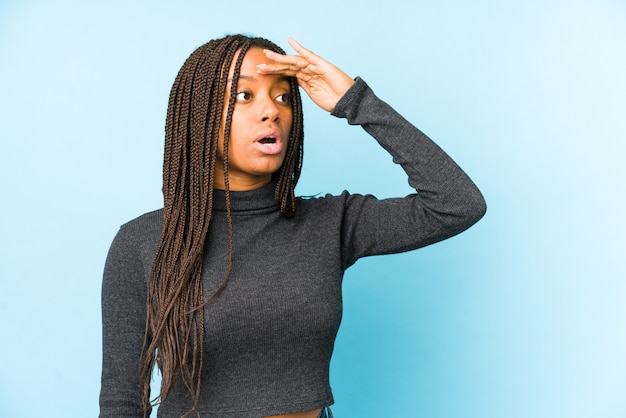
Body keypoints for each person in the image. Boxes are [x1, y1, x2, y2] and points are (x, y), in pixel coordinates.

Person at [99, 34, 486, 418]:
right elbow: (122, 402)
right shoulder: (144, 242)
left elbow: (456, 204)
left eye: (283, 96)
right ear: (198, 114)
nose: (271, 111)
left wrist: (355, 101)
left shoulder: (330, 223)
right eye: (244, 96)